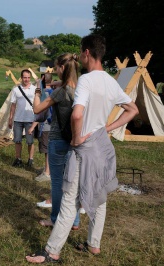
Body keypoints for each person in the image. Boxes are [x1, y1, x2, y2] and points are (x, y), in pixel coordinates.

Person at [26, 34, 139, 264]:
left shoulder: (87, 80)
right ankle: (93, 245)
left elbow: (77, 114)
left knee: (69, 199)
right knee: (99, 196)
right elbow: (132, 109)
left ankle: (52, 251)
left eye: (81, 51)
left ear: (87, 52)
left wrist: (76, 138)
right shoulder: (109, 81)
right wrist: (106, 128)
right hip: (102, 146)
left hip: (85, 147)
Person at [32, 54, 81, 231]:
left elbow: (37, 109)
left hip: (58, 140)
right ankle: (74, 221)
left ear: (62, 68)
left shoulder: (60, 92)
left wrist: (37, 91)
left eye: (56, 67)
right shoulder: (80, 88)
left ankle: (55, 219)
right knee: (72, 183)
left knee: (58, 183)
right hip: (75, 141)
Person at [8, 69, 37, 167]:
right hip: (18, 119)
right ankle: (18, 159)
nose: (27, 79)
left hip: (30, 119)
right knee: (17, 140)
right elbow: (13, 105)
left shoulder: (34, 89)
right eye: (25, 77)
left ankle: (30, 159)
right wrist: (10, 118)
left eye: (28, 77)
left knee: (30, 141)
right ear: (21, 78)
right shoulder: (16, 90)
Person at [34, 73, 52, 182]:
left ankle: (47, 173)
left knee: (47, 150)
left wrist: (37, 88)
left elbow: (37, 109)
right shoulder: (55, 91)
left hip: (45, 126)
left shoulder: (44, 93)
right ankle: (48, 169)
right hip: (53, 126)